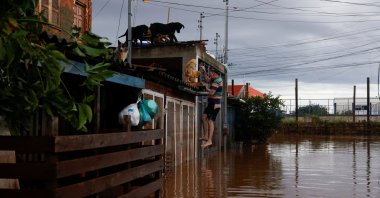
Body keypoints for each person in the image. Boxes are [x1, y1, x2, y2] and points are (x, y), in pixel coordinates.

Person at [201, 69, 223, 148]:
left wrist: (206, 88)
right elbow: (207, 79)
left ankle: (209, 140)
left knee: (210, 121)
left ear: (214, 74)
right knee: (203, 117)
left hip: (215, 103)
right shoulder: (216, 79)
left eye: (211, 75)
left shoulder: (216, 82)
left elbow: (211, 92)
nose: (210, 76)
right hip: (212, 103)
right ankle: (206, 136)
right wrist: (204, 72)